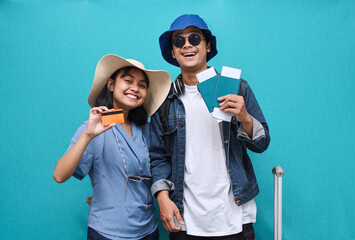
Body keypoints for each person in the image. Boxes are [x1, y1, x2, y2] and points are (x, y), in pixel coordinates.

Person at [149, 14, 270, 240]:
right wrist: (162, 197)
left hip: (235, 217)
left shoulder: (237, 88)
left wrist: (244, 116)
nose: (187, 44)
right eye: (178, 41)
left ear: (208, 46)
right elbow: (156, 155)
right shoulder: (164, 101)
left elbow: (262, 143)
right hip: (184, 221)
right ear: (173, 52)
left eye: (194, 38)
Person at [53, 54, 171, 240]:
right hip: (107, 232)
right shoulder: (92, 128)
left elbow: (158, 170)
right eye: (128, 81)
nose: (135, 88)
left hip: (148, 230)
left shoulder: (148, 130)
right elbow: (59, 175)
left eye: (142, 85)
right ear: (111, 85)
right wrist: (88, 135)